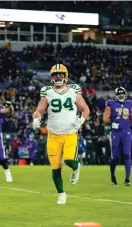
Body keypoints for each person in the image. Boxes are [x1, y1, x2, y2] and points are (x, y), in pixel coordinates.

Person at [32, 64, 90, 204]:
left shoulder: (74, 90)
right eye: (55, 75)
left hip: (70, 133)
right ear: (52, 77)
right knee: (56, 167)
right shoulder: (47, 92)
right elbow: (40, 110)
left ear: (66, 76)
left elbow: (85, 109)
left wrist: (81, 120)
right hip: (53, 135)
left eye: (61, 74)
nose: (58, 76)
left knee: (69, 160)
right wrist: (36, 118)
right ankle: (61, 194)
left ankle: (76, 168)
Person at [103, 87, 132, 186]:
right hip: (115, 132)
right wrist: (111, 122)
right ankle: (113, 174)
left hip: (126, 132)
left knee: (127, 154)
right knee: (115, 157)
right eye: (119, 94)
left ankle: (127, 178)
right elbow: (105, 119)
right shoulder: (111, 104)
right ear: (116, 95)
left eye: (122, 93)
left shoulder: (129, 104)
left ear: (125, 94)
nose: (121, 95)